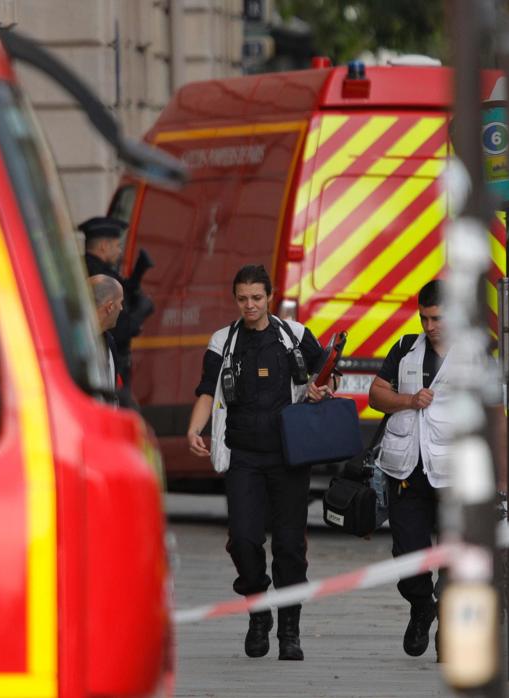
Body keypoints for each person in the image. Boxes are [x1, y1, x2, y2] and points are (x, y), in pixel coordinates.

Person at [185, 264, 332, 661]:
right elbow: (205, 390)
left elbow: (325, 375)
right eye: (242, 299)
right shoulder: (223, 340)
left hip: (289, 456)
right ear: (235, 300)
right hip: (243, 456)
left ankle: (289, 629)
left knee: (289, 547)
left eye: (256, 297)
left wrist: (322, 390)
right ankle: (257, 608)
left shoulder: (294, 336)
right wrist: (194, 429)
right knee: (245, 540)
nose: (249, 305)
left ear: (270, 296)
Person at [369, 279, 501, 661]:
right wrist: (408, 400)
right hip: (407, 470)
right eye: (425, 318)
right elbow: (376, 394)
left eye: (437, 319)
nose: (430, 327)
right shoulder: (405, 349)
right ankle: (421, 605)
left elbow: (496, 415)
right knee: (408, 553)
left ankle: (448, 621)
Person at [81, 216, 154, 388]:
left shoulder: (83, 269)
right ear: (104, 246)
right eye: (118, 245)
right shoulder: (99, 276)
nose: (120, 251)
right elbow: (121, 328)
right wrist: (140, 313)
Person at [90, 274, 126, 400]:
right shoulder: (74, 342)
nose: (121, 308)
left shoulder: (109, 342)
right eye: (120, 302)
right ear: (110, 307)